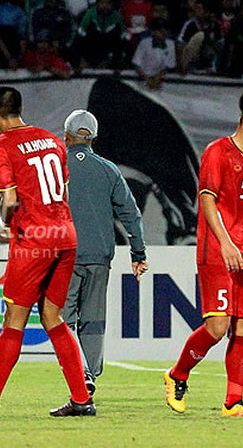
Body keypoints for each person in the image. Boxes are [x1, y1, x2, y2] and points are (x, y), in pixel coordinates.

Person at [0, 86, 95, 418]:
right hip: (65, 234)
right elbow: (60, 187)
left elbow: (11, 199)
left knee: (13, 321)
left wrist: (7, 221)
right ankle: (81, 398)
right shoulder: (51, 139)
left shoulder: (1, 145)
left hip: (35, 239)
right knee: (53, 317)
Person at [164, 92, 243, 417]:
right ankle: (177, 375)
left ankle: (234, 401)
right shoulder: (217, 152)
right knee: (217, 326)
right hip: (217, 249)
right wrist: (227, 242)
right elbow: (207, 199)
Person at [62, 109, 148, 396]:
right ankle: (90, 374)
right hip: (100, 256)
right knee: (93, 319)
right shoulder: (109, 169)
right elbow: (130, 213)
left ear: (66, 136)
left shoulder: (58, 167)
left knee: (61, 319)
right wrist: (138, 253)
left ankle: (82, 373)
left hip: (66, 254)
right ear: (94, 139)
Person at [132, 18, 176, 89]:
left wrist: (158, 77)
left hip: (161, 82)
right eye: (160, 31)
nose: (164, 33)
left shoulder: (171, 44)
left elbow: (169, 65)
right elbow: (136, 65)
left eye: (165, 30)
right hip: (143, 81)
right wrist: (147, 79)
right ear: (153, 31)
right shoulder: (144, 43)